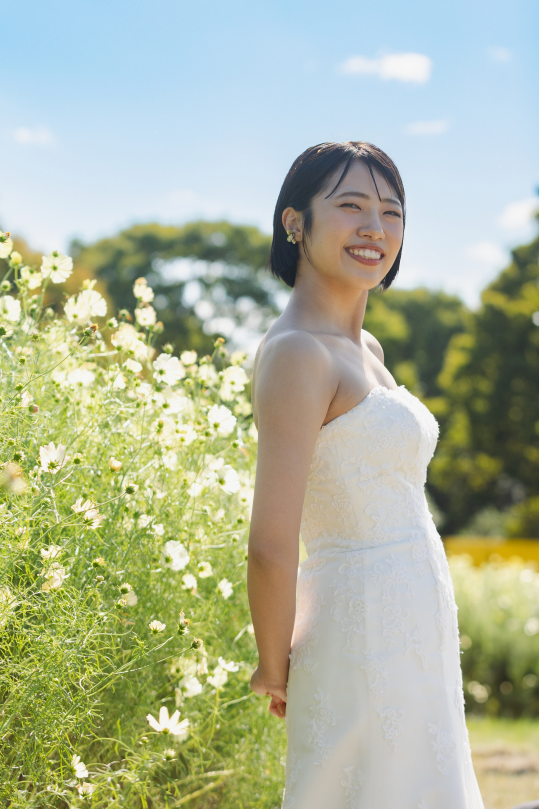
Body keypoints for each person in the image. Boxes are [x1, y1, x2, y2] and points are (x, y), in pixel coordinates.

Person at [247, 141, 483, 808]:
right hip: (359, 633)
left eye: (392, 212)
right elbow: (270, 543)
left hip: (414, 626)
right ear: (295, 222)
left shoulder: (365, 348)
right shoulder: (297, 354)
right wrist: (273, 665)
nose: (375, 228)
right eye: (350, 206)